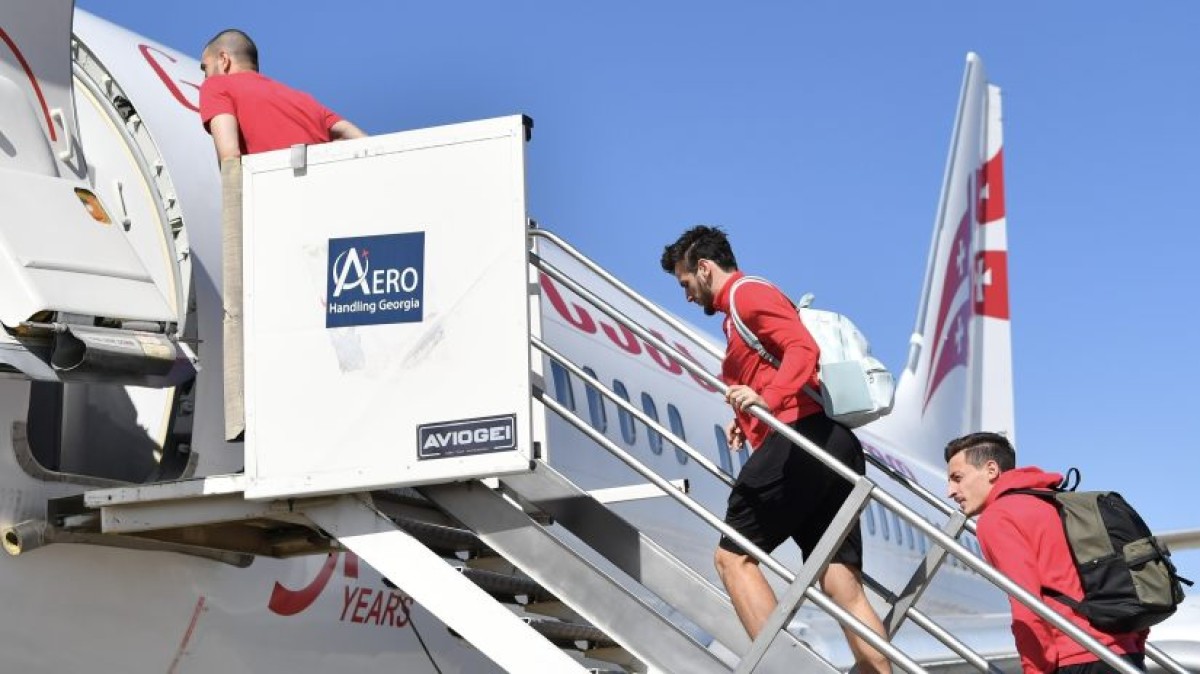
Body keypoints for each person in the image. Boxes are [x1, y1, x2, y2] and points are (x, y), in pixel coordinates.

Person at [660, 225, 891, 673]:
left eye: (685, 283)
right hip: (826, 441)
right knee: (841, 584)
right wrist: (746, 418)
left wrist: (769, 399)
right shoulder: (737, 314)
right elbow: (771, 367)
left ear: (704, 269)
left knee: (733, 558)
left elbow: (801, 349)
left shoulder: (746, 294)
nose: (686, 295)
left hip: (801, 440)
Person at [945, 432, 1148, 673]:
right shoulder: (1057, 503)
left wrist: (1036, 670)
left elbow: (1027, 605)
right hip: (1125, 654)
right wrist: (1132, 644)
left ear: (991, 470)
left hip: (1075, 658)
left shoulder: (997, 517)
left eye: (957, 478)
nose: (950, 491)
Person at [198, 28, 366, 160]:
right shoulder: (305, 99)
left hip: (272, 189)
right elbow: (361, 139)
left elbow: (230, 155)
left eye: (205, 67)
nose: (205, 76)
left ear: (224, 60)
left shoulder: (215, 85)